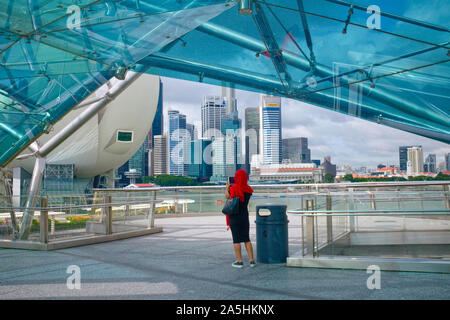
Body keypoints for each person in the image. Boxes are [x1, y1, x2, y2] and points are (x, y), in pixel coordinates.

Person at [225, 169, 256, 268]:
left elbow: (228, 197)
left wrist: (227, 188)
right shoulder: (248, 189)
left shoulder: (233, 188)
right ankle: (251, 261)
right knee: (246, 238)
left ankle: (239, 261)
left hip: (234, 216)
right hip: (244, 216)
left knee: (236, 240)